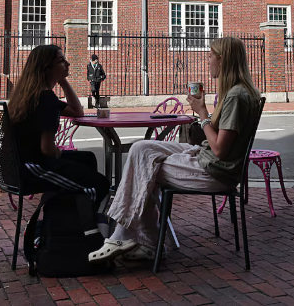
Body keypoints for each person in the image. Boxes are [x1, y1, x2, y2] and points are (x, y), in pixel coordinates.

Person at [88, 37, 261, 263]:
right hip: (205, 158)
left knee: (144, 167)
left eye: (210, 56)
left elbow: (219, 149)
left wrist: (202, 113)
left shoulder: (236, 96)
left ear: (222, 59)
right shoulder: (236, 92)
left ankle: (125, 236)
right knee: (141, 149)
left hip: (214, 171)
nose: (207, 60)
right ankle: (140, 240)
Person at [9, 44, 110, 210]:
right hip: (32, 169)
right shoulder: (44, 99)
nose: (68, 64)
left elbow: (77, 112)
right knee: (99, 184)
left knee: (88, 158)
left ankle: (70, 213)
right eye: (61, 61)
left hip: (19, 165)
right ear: (46, 68)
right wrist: (61, 155)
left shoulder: (35, 94)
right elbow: (48, 150)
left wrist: (63, 80)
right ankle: (86, 226)